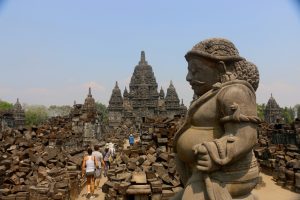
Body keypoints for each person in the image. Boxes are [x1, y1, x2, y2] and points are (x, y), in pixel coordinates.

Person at [172, 38, 260, 200]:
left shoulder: (235, 92)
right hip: (203, 173)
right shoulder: (211, 94)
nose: (188, 77)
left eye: (195, 71)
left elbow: (246, 135)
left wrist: (214, 153)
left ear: (220, 68)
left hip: (229, 174)